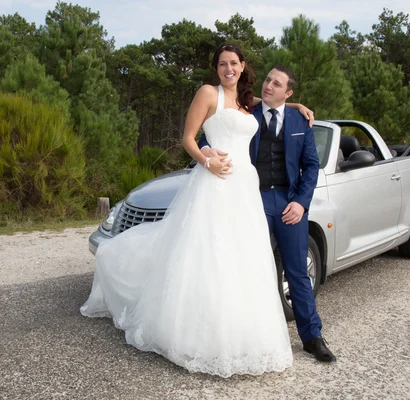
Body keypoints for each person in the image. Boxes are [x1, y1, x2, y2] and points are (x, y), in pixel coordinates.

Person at [80, 44, 298, 377]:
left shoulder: (245, 98)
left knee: (242, 259)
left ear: (243, 66)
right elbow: (188, 138)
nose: (228, 69)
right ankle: (194, 334)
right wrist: (206, 160)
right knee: (207, 255)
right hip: (214, 182)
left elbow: (271, 104)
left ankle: (239, 332)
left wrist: (295, 104)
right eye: (222, 64)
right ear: (216, 68)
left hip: (243, 188)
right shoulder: (209, 93)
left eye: (234, 64)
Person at [199, 64, 336, 362]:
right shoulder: (247, 111)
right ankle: (245, 336)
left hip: (289, 201)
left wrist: (301, 202)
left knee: (297, 270)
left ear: (288, 93)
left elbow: (311, 165)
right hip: (252, 198)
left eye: (277, 84)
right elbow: (210, 132)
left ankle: (312, 337)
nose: (268, 86)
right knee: (249, 268)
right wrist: (207, 149)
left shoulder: (301, 119)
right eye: (268, 80)